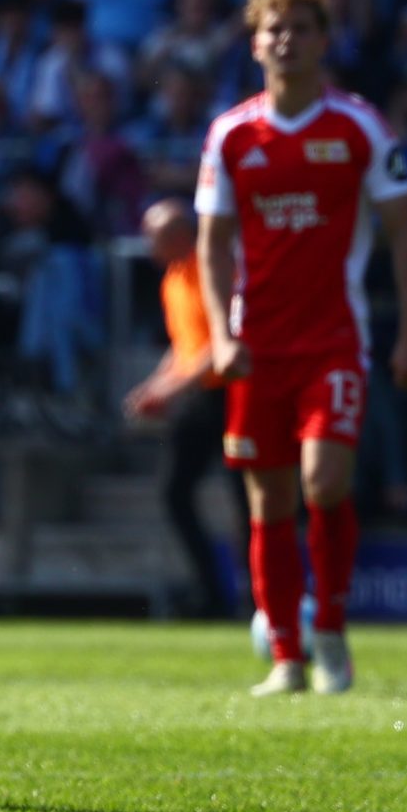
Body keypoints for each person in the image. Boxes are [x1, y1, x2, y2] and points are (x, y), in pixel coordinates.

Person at [195, 0, 407, 697]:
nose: (286, 40)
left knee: (323, 482)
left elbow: (404, 234)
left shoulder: (359, 126)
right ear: (255, 41)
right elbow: (210, 245)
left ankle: (329, 623)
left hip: (335, 341)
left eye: (301, 28)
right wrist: (219, 335)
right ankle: (287, 656)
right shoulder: (232, 133)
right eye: (274, 29)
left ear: (324, 41)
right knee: (269, 503)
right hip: (256, 346)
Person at [120, 198, 241, 619]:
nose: (146, 244)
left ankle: (254, 595)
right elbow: (184, 347)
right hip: (199, 396)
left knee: (246, 496)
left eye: (152, 235)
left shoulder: (214, 270)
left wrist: (169, 393)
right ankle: (212, 593)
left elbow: (221, 344)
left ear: (178, 235)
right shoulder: (172, 278)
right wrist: (154, 387)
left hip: (230, 394)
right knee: (175, 492)